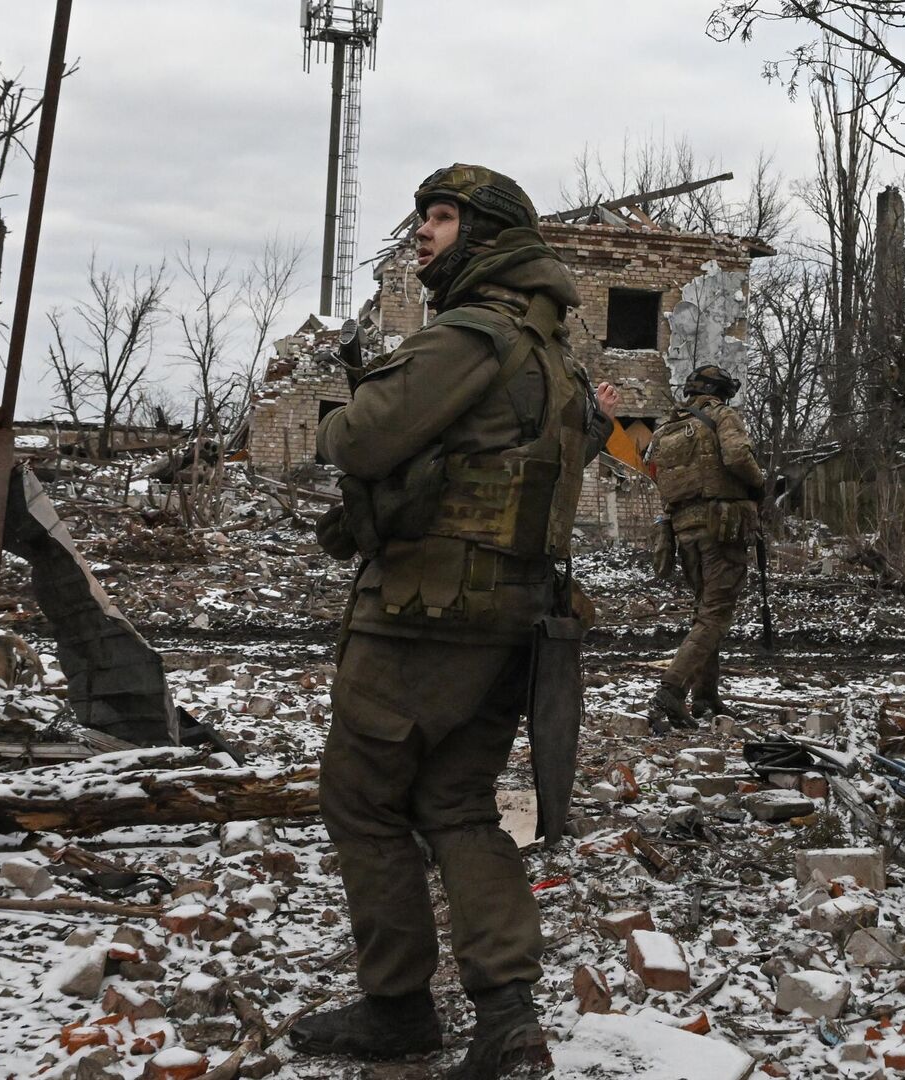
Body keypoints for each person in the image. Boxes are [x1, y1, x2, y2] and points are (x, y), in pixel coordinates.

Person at [292, 164, 614, 1080]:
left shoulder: (471, 334)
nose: (425, 232)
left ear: (490, 237)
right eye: (424, 216)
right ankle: (507, 1015)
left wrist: (342, 417)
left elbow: (356, 439)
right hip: (513, 616)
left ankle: (397, 1007)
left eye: (442, 217)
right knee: (459, 803)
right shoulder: (554, 352)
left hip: (425, 618)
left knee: (362, 798)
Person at [642, 364, 767, 731]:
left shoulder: (666, 429)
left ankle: (705, 697)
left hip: (685, 531)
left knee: (705, 611)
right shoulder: (723, 417)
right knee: (715, 613)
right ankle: (670, 691)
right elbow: (738, 458)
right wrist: (759, 486)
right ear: (721, 392)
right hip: (721, 529)